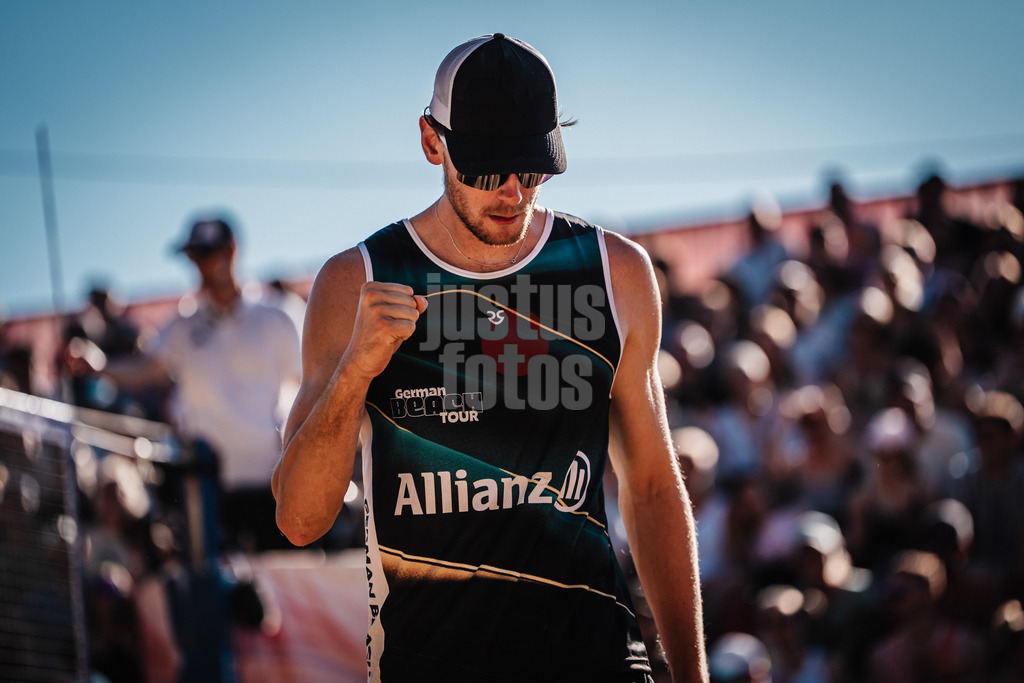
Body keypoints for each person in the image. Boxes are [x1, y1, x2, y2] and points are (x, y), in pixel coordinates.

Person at [272, 33, 708, 682]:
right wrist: (354, 372)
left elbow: (648, 486)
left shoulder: (613, 271)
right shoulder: (358, 280)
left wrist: (692, 674)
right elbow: (300, 519)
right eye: (484, 170)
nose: (511, 192)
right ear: (431, 143)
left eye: (531, 168)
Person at [100, 215, 301, 552]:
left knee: (281, 586)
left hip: (275, 485)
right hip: (209, 488)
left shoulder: (277, 317)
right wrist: (99, 367)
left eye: (209, 254)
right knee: (217, 594)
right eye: (196, 257)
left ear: (233, 251)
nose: (203, 266)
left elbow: (309, 386)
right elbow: (147, 369)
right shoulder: (181, 327)